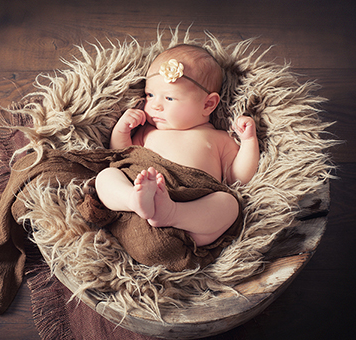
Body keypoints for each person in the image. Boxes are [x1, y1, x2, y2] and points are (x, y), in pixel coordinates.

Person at [95, 44, 260, 247]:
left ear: (208, 104)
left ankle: (171, 213)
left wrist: (249, 142)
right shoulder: (147, 131)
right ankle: (132, 199)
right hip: (137, 214)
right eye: (150, 95)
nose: (155, 105)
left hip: (188, 221)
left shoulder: (218, 138)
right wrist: (122, 130)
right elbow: (122, 155)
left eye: (169, 98)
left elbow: (239, 178)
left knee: (229, 205)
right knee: (106, 176)